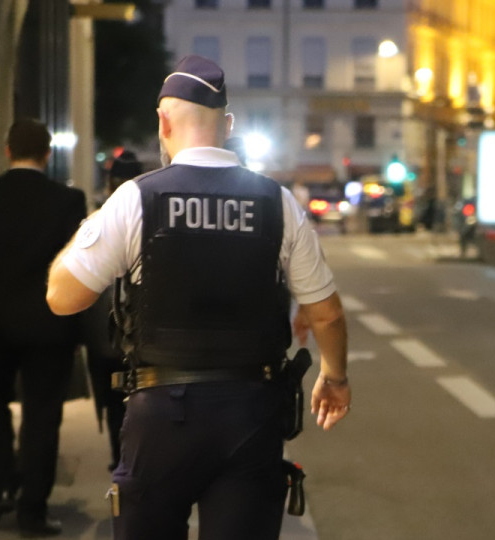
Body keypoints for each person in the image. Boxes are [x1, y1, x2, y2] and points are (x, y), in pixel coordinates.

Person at [45, 55, 351, 540]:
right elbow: (327, 313)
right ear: (227, 126)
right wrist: (335, 376)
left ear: (163, 121)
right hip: (252, 414)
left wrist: (91, 228)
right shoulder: (277, 202)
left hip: (161, 415)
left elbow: (62, 297)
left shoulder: (137, 198)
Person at [0, 118, 87, 537]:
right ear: (48, 154)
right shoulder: (68, 201)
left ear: (8, 150)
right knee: (43, 415)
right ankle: (32, 509)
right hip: (49, 327)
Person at [78, 150, 143, 472]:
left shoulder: (93, 221)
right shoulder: (150, 220)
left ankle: (119, 457)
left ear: (109, 183)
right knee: (140, 397)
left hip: (100, 333)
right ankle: (131, 456)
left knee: (111, 399)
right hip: (141, 334)